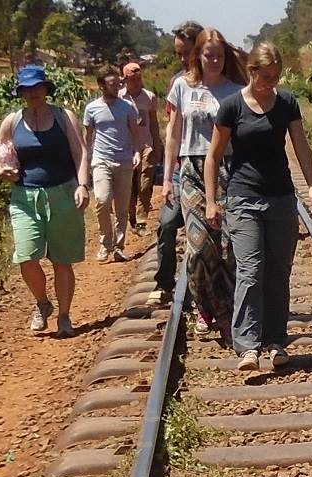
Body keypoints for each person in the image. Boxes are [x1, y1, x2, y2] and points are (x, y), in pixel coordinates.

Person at [205, 41, 312, 370]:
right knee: (250, 269)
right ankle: (246, 345)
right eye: (265, 76)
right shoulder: (232, 107)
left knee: (278, 271)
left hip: (282, 198)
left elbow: (301, 145)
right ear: (251, 71)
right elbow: (213, 156)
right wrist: (212, 201)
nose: (271, 82)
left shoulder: (287, 102)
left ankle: (275, 340)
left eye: (275, 76)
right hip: (243, 197)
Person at [0, 65, 89, 338]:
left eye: (36, 87)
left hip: (63, 193)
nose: (32, 93)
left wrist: (82, 185)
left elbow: (80, 152)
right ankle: (42, 303)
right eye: (26, 89)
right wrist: (0, 168)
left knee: (61, 259)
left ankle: (65, 316)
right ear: (20, 92)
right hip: (24, 197)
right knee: (26, 256)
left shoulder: (63, 116)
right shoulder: (13, 120)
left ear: (46, 89)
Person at [164, 27, 247, 339]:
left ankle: (226, 311)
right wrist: (168, 177)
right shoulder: (182, 87)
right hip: (192, 169)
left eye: (220, 55)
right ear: (198, 55)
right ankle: (205, 305)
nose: (214, 60)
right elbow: (172, 133)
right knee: (199, 248)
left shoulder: (237, 89)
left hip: (229, 168)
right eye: (208, 54)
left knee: (226, 247)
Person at [146, 20, 203, 306]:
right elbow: (172, 132)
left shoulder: (220, 80)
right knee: (167, 225)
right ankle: (164, 282)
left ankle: (207, 291)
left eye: (187, 52)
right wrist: (167, 177)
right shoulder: (177, 83)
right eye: (178, 54)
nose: (183, 59)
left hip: (212, 171)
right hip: (183, 169)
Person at [82, 65, 141, 262]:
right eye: (111, 83)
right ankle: (105, 242)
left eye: (118, 83)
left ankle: (119, 246)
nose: (116, 87)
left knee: (122, 206)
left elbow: (135, 132)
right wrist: (86, 160)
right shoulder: (92, 109)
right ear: (101, 85)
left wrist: (137, 152)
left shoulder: (127, 107)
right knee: (102, 200)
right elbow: (87, 137)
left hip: (124, 160)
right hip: (101, 159)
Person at [120, 62, 162, 235]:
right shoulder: (119, 97)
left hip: (146, 146)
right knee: (129, 185)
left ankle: (142, 220)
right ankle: (131, 216)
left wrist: (157, 145)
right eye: (132, 79)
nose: (136, 82)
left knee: (145, 184)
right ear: (125, 80)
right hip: (126, 147)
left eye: (139, 79)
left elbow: (153, 123)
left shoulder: (149, 97)